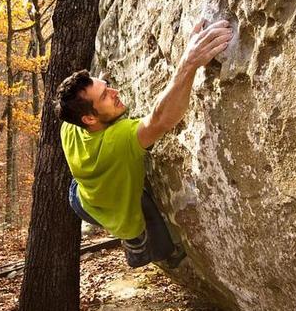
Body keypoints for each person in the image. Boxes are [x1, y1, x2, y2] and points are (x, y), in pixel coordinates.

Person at [54, 19, 233, 268]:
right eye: (106, 95)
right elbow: (160, 119)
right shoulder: (120, 139)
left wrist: (100, 89)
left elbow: (79, 105)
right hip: (117, 211)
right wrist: (189, 62)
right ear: (89, 118)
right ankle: (136, 248)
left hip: (80, 200)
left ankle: (143, 243)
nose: (115, 92)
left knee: (130, 197)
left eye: (108, 87)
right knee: (139, 220)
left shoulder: (69, 126)